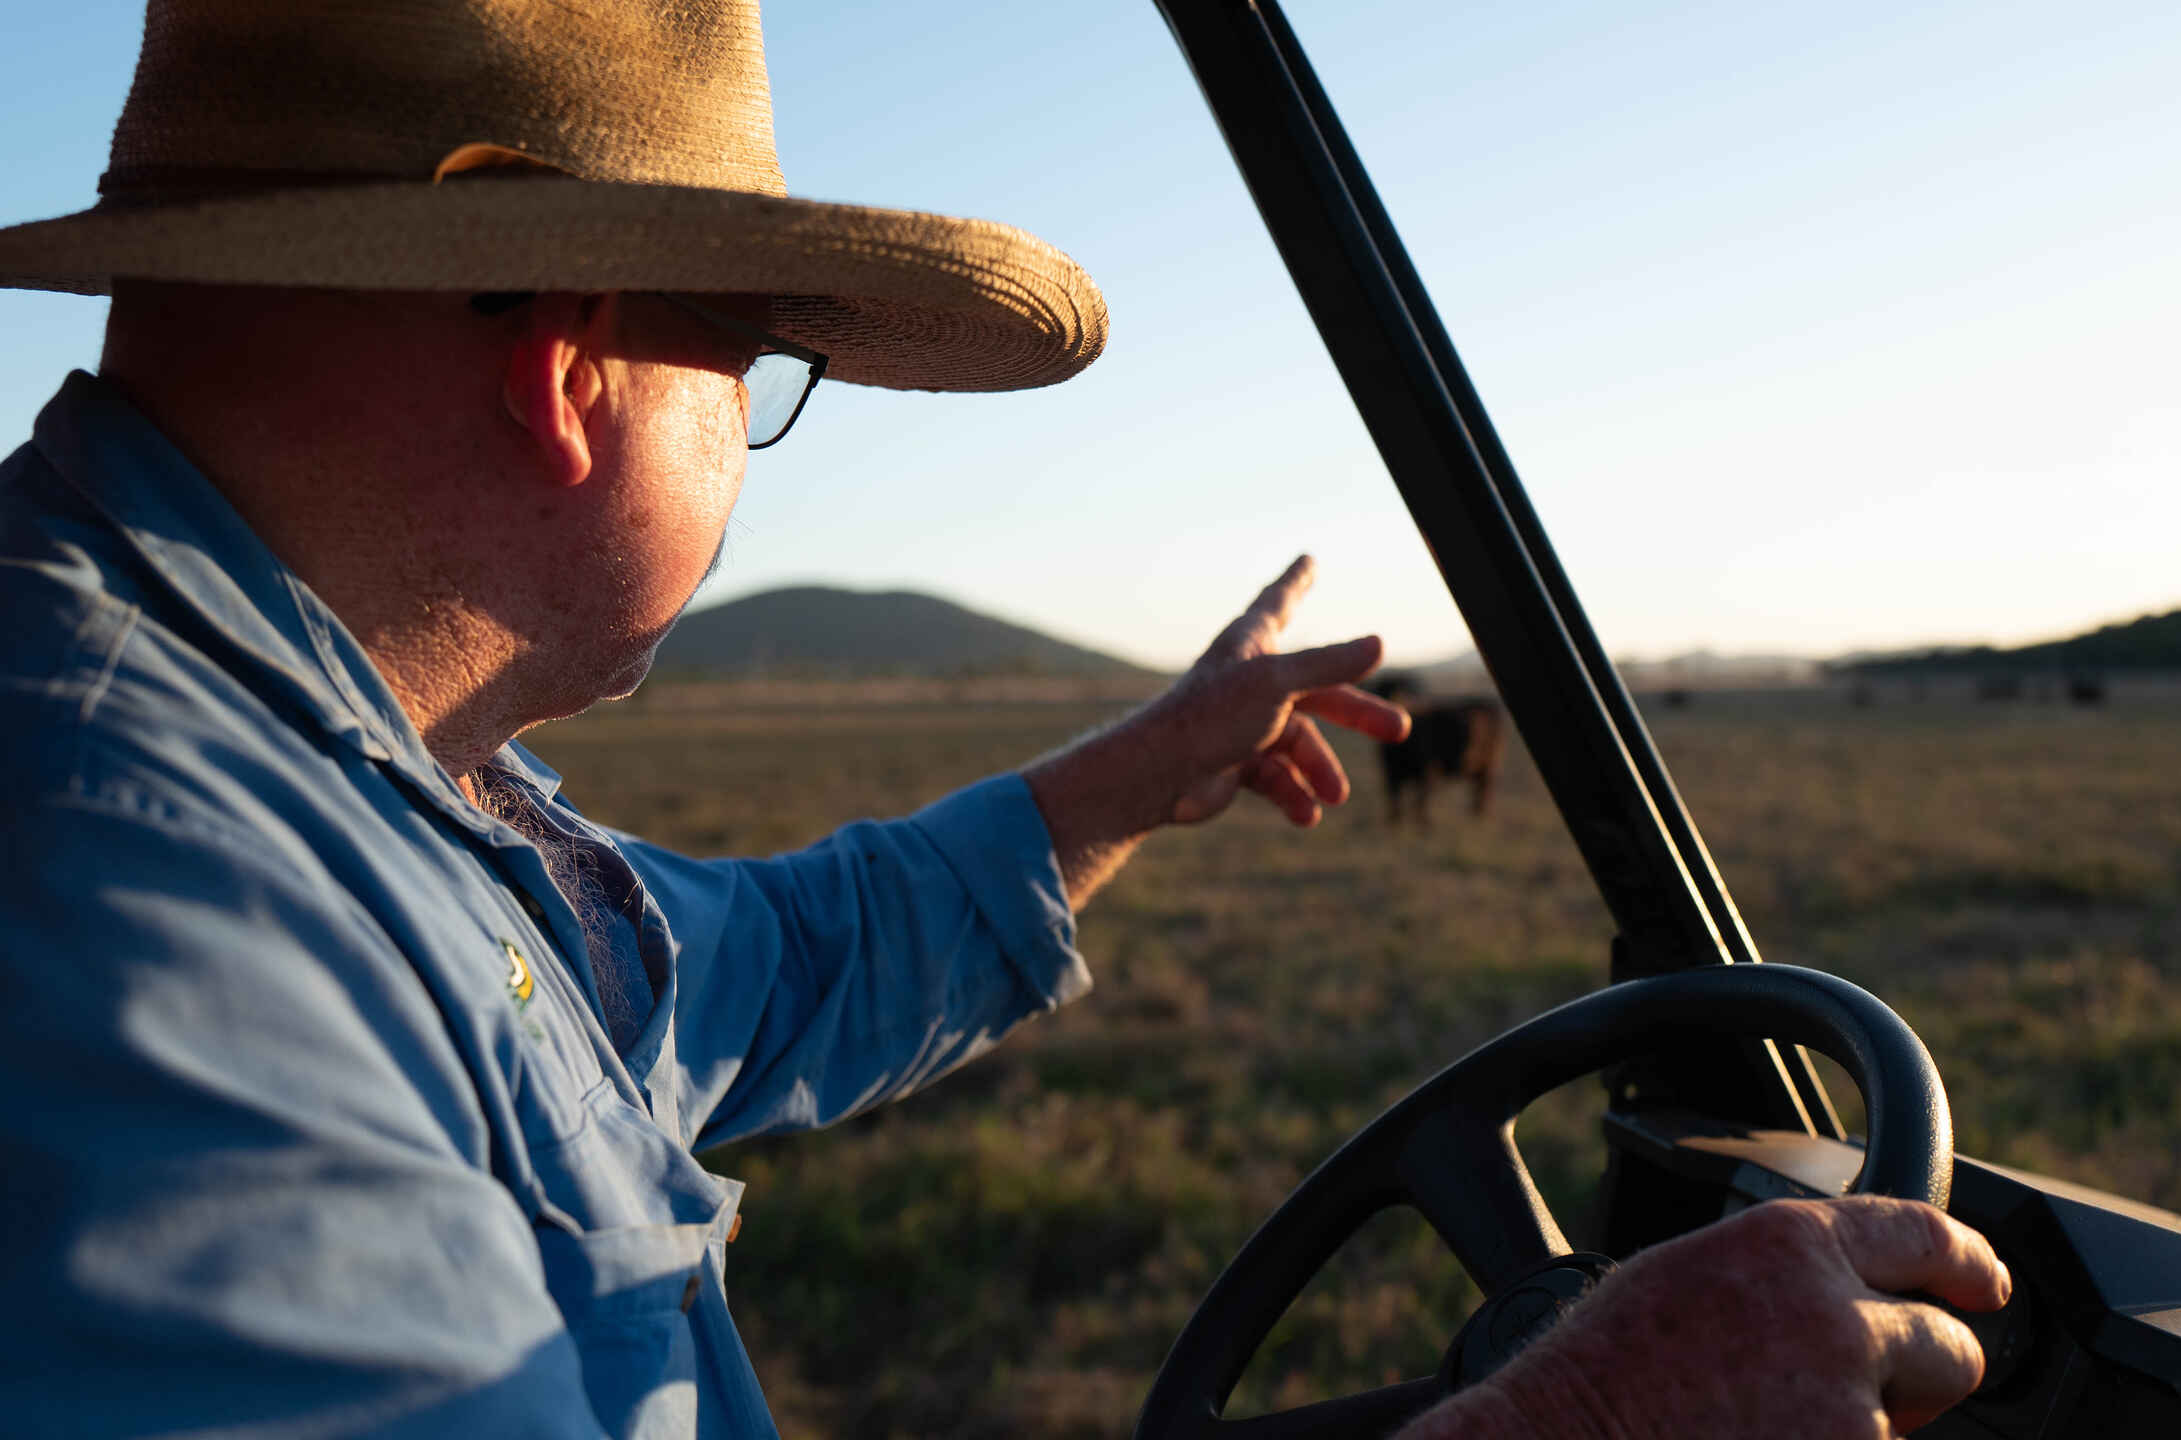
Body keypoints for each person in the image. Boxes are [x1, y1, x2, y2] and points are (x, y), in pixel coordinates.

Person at [0, 3, 2007, 1436]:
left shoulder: (314, 774)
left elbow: (750, 979)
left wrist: (1142, 769)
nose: (757, 439)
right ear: (579, 360)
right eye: (761, 362)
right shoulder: (132, 904)